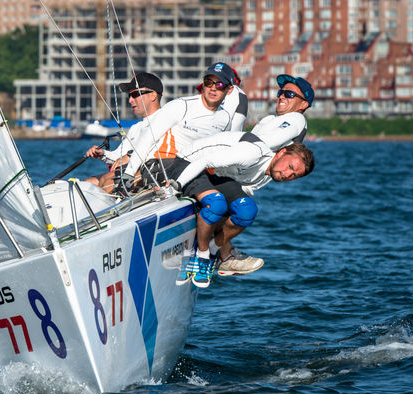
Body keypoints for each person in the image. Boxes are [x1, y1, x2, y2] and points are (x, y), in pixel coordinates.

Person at [171, 74, 316, 287]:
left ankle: (214, 252)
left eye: (290, 94)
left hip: (237, 176)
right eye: (281, 92)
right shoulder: (269, 121)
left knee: (240, 209)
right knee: (229, 207)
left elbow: (257, 144)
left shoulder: (297, 119)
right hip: (217, 169)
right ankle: (218, 254)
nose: (281, 96)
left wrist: (249, 148)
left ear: (304, 104)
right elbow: (245, 145)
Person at [112, 62, 241, 194]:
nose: (213, 88)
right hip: (167, 166)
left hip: (201, 169)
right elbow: (148, 139)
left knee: (245, 208)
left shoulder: (225, 118)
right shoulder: (181, 105)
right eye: (209, 82)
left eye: (219, 85)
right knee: (215, 204)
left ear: (229, 90)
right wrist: (129, 174)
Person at [84, 72, 164, 192]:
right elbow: (119, 157)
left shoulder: (166, 119)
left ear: (153, 96)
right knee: (86, 184)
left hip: (151, 173)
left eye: (135, 94)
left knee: (106, 181)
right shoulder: (136, 128)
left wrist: (131, 156)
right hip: (128, 171)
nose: (130, 100)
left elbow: (163, 150)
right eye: (129, 96)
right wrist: (102, 154)